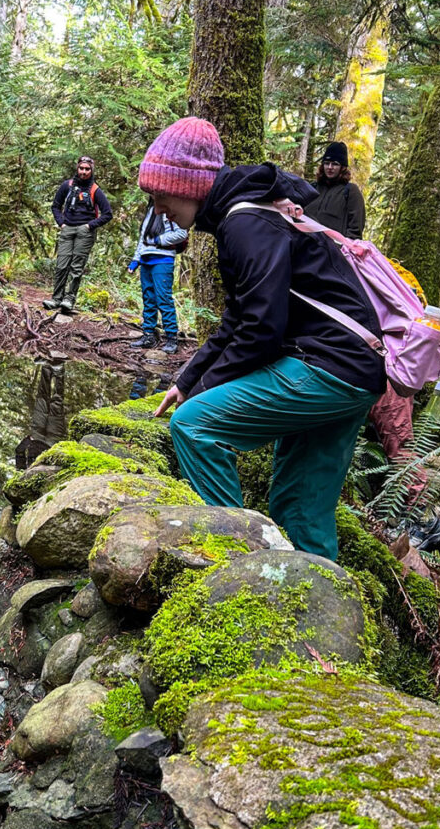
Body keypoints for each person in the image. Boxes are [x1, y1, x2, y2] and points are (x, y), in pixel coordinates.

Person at [142, 117, 385, 561]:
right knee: (300, 510)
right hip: (356, 371)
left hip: (325, 367)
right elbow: (241, 315)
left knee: (195, 426)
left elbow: (261, 330)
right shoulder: (256, 211)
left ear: (188, 184)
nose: (158, 207)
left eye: (159, 194)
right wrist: (188, 379)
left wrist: (201, 393)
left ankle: (237, 564)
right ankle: (320, 608)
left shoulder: (245, 224)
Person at [43, 156, 113, 313]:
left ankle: (69, 299)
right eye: (81, 168)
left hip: (85, 232)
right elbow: (55, 206)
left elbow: (107, 214)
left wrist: (89, 226)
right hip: (67, 229)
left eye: (87, 169)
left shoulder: (95, 190)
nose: (84, 172)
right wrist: (61, 223)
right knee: (62, 265)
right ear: (77, 168)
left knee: (76, 267)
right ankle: (56, 298)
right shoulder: (66, 186)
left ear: (91, 170)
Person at [128, 197, 187, 354]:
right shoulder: (150, 211)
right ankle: (149, 335)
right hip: (146, 259)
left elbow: (182, 233)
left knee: (163, 298)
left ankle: (171, 338)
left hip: (163, 259)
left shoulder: (172, 211)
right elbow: (143, 238)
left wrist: (159, 240)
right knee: (148, 298)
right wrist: (135, 259)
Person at [303, 140, 365, 239]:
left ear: (343, 167)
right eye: (326, 163)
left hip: (331, 249)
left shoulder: (350, 191)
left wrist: (343, 249)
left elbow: (355, 229)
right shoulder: (312, 188)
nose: (330, 167)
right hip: (303, 244)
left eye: (335, 164)